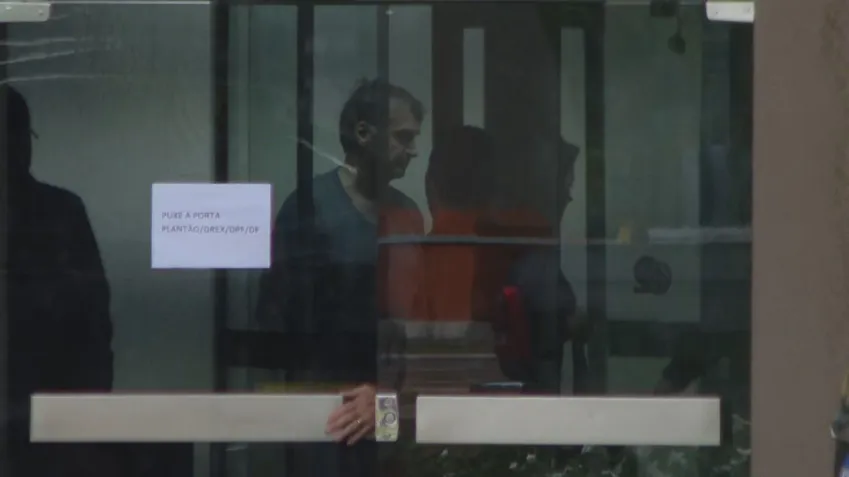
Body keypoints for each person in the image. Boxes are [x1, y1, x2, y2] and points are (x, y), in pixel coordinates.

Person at [255, 78, 424, 477]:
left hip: (387, 401)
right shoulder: (310, 208)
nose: (414, 151)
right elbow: (278, 325)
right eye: (404, 137)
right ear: (364, 134)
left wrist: (388, 396)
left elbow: (414, 326)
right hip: (327, 408)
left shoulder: (407, 214)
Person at [3, 85, 116, 476]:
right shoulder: (61, 211)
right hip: (55, 410)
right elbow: (95, 321)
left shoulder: (61, 212)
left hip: (53, 409)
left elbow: (94, 321)